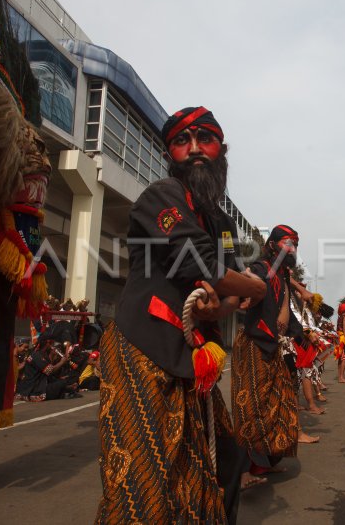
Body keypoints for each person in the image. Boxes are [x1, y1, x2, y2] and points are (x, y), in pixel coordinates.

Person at [96, 107, 266, 524]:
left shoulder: (222, 221)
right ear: (170, 152)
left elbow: (226, 296)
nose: (193, 151)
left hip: (193, 358)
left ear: (220, 151)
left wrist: (222, 302)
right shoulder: (162, 196)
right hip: (143, 347)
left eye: (203, 140)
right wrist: (256, 288)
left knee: (227, 461)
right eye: (181, 142)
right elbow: (205, 266)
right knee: (144, 478)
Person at [232, 225, 309, 489]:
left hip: (275, 347)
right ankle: (242, 471)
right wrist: (247, 289)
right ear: (274, 244)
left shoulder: (283, 275)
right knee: (249, 408)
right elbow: (250, 280)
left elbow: (287, 303)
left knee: (280, 404)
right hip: (255, 344)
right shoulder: (261, 267)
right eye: (288, 242)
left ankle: (265, 462)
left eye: (295, 244)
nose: (293, 248)